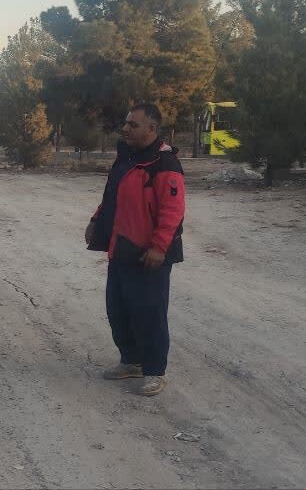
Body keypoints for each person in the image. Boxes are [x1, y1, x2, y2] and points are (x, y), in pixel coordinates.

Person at [84, 103, 185, 397]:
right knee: (118, 309)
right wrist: (96, 220)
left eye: (133, 125)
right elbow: (112, 196)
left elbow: (173, 210)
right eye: (126, 123)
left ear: (152, 129)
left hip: (148, 254)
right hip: (121, 248)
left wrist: (159, 247)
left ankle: (154, 370)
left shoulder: (164, 164)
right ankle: (131, 361)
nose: (126, 128)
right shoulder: (126, 158)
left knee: (149, 313)